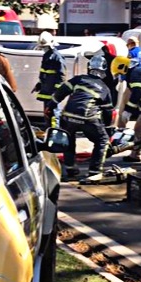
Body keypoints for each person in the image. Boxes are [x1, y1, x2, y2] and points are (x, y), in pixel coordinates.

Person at [53, 53, 115, 184]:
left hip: (68, 117)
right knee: (102, 141)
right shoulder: (104, 89)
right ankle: (95, 172)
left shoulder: (79, 79)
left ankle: (70, 169)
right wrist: (107, 129)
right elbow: (108, 111)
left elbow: (61, 91)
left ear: (89, 67)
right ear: (104, 71)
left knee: (68, 140)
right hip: (88, 118)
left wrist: (50, 106)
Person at [33, 30, 65, 124]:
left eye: (45, 47)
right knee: (47, 114)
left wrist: (56, 92)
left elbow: (61, 76)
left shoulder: (57, 57)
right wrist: (39, 84)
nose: (44, 48)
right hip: (46, 91)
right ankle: (49, 132)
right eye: (43, 47)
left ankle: (54, 133)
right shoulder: (46, 56)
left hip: (53, 93)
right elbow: (45, 74)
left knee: (54, 114)